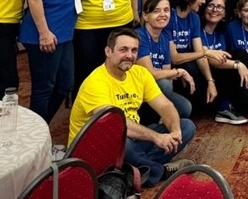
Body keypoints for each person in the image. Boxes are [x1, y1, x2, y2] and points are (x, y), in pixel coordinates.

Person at [68, 28, 196, 187]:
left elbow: (165, 105)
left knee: (186, 126)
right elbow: (114, 125)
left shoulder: (140, 73)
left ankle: (133, 171)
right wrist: (156, 137)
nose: (129, 55)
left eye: (134, 50)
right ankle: (158, 171)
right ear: (108, 51)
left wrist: (175, 130)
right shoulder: (95, 82)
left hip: (130, 141)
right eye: (123, 50)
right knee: (122, 141)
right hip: (93, 151)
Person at [198, 0, 248, 125]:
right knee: (231, 67)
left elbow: (230, 55)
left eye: (220, 7)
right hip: (203, 77)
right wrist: (238, 65)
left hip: (221, 76)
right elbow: (207, 58)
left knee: (241, 54)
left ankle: (237, 105)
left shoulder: (224, 31)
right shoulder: (197, 29)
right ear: (204, 8)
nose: (215, 10)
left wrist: (239, 63)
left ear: (225, 13)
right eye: (211, 5)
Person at [137, 0, 196, 120]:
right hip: (140, 89)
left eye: (166, 10)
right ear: (145, 16)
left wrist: (173, 73)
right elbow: (151, 74)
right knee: (165, 84)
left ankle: (162, 118)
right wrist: (179, 71)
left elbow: (167, 72)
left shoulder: (164, 38)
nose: (162, 14)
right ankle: (151, 120)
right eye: (156, 11)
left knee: (185, 108)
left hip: (157, 90)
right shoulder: (139, 36)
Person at [166, 0, 217, 114]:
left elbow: (200, 54)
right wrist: (206, 52)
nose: (203, 1)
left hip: (189, 65)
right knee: (190, 67)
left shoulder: (194, 18)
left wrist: (210, 81)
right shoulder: (167, 16)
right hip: (171, 69)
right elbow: (174, 58)